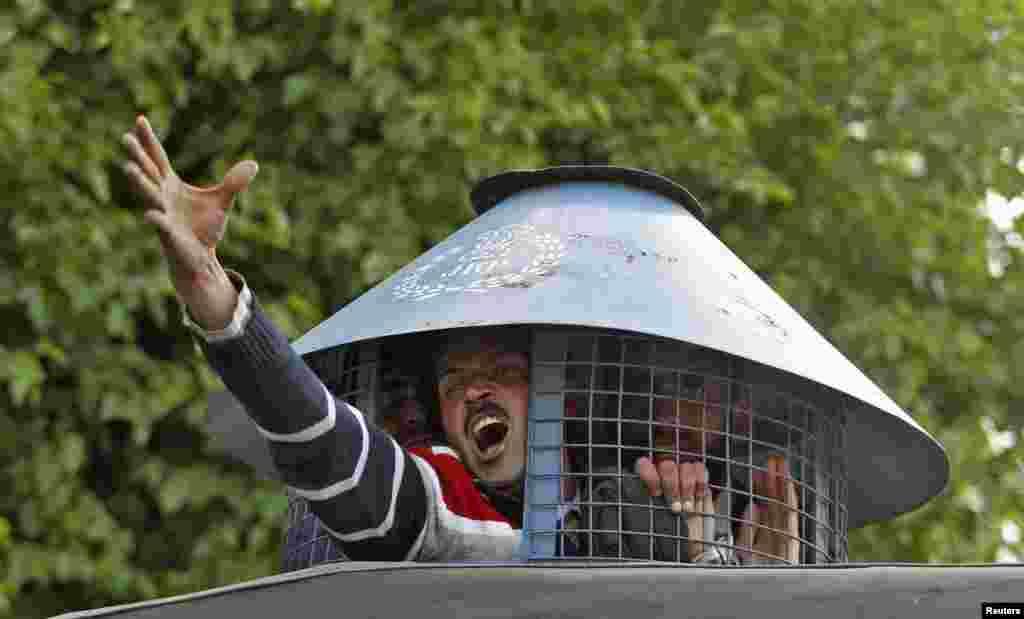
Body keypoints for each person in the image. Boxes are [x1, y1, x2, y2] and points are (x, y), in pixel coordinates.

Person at [120, 115, 798, 564]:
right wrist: (220, 304)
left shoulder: (632, 496)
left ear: (555, 389)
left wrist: (740, 578)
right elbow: (333, 454)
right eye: (452, 382)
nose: (474, 389)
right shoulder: (444, 503)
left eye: (499, 369)